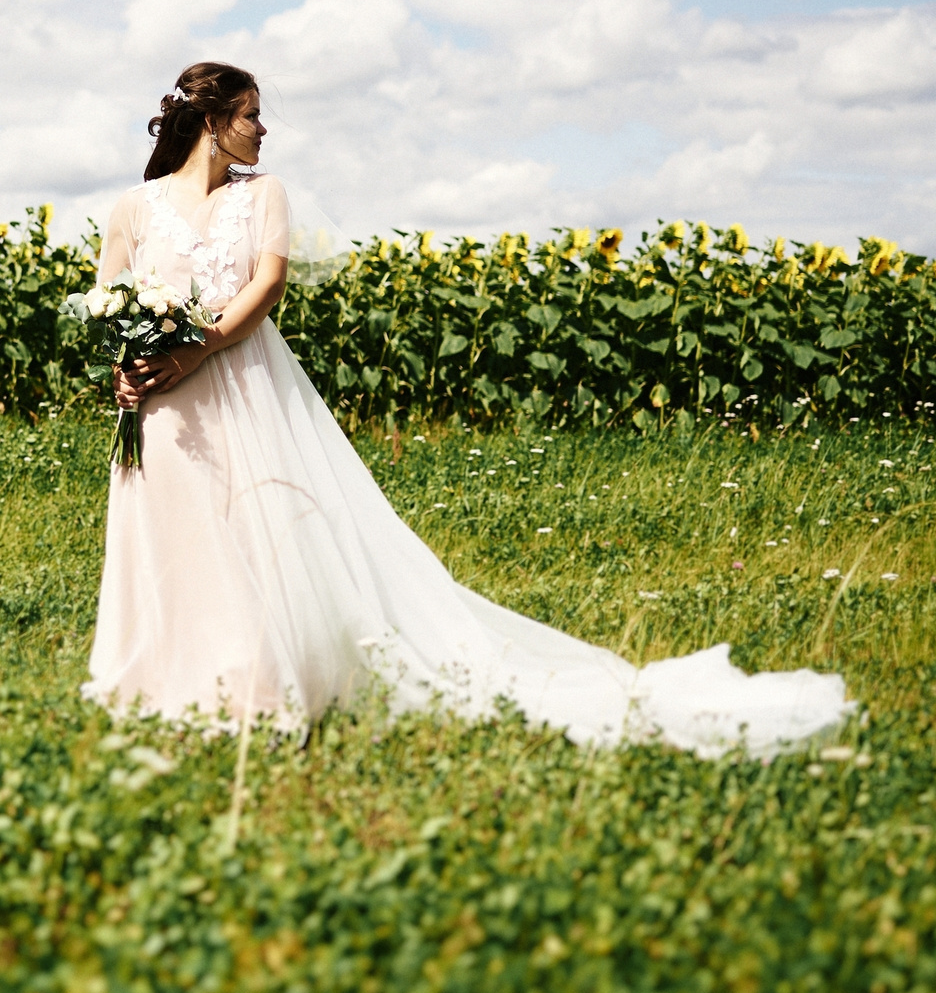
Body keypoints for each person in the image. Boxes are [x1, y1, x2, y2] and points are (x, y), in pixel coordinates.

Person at [83, 60, 854, 758]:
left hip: (239, 380)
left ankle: (251, 680)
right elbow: (109, 295)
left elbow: (268, 286)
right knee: (175, 536)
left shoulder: (263, 195)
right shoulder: (135, 206)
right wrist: (129, 369)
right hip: (162, 400)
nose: (263, 129)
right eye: (252, 115)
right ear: (214, 122)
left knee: (253, 529)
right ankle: (158, 673)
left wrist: (201, 346)